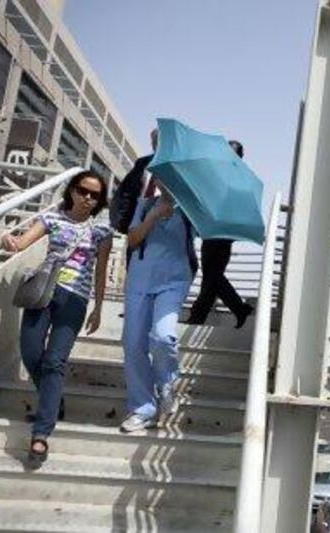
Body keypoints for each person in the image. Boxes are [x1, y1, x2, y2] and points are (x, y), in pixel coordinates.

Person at [0, 170, 112, 466]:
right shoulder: (52, 218)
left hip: (75, 300)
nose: (88, 198)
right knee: (31, 352)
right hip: (43, 293)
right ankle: (54, 399)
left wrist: (98, 307)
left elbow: (100, 273)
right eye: (83, 191)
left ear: (100, 201)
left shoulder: (102, 232)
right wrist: (8, 241)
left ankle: (41, 435)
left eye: (95, 195)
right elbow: (21, 244)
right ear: (72, 191)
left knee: (55, 362)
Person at [120, 179, 197, 433]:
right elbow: (132, 240)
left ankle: (166, 382)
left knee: (164, 337)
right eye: (163, 175)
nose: (168, 181)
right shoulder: (144, 205)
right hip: (140, 281)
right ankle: (142, 408)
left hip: (173, 282)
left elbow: (208, 233)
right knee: (133, 345)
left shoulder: (191, 209)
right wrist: (152, 216)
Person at [182, 140, 253, 327]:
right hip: (211, 230)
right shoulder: (219, 174)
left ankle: (202, 313)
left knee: (212, 275)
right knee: (212, 275)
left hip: (224, 231)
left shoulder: (239, 178)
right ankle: (233, 309)